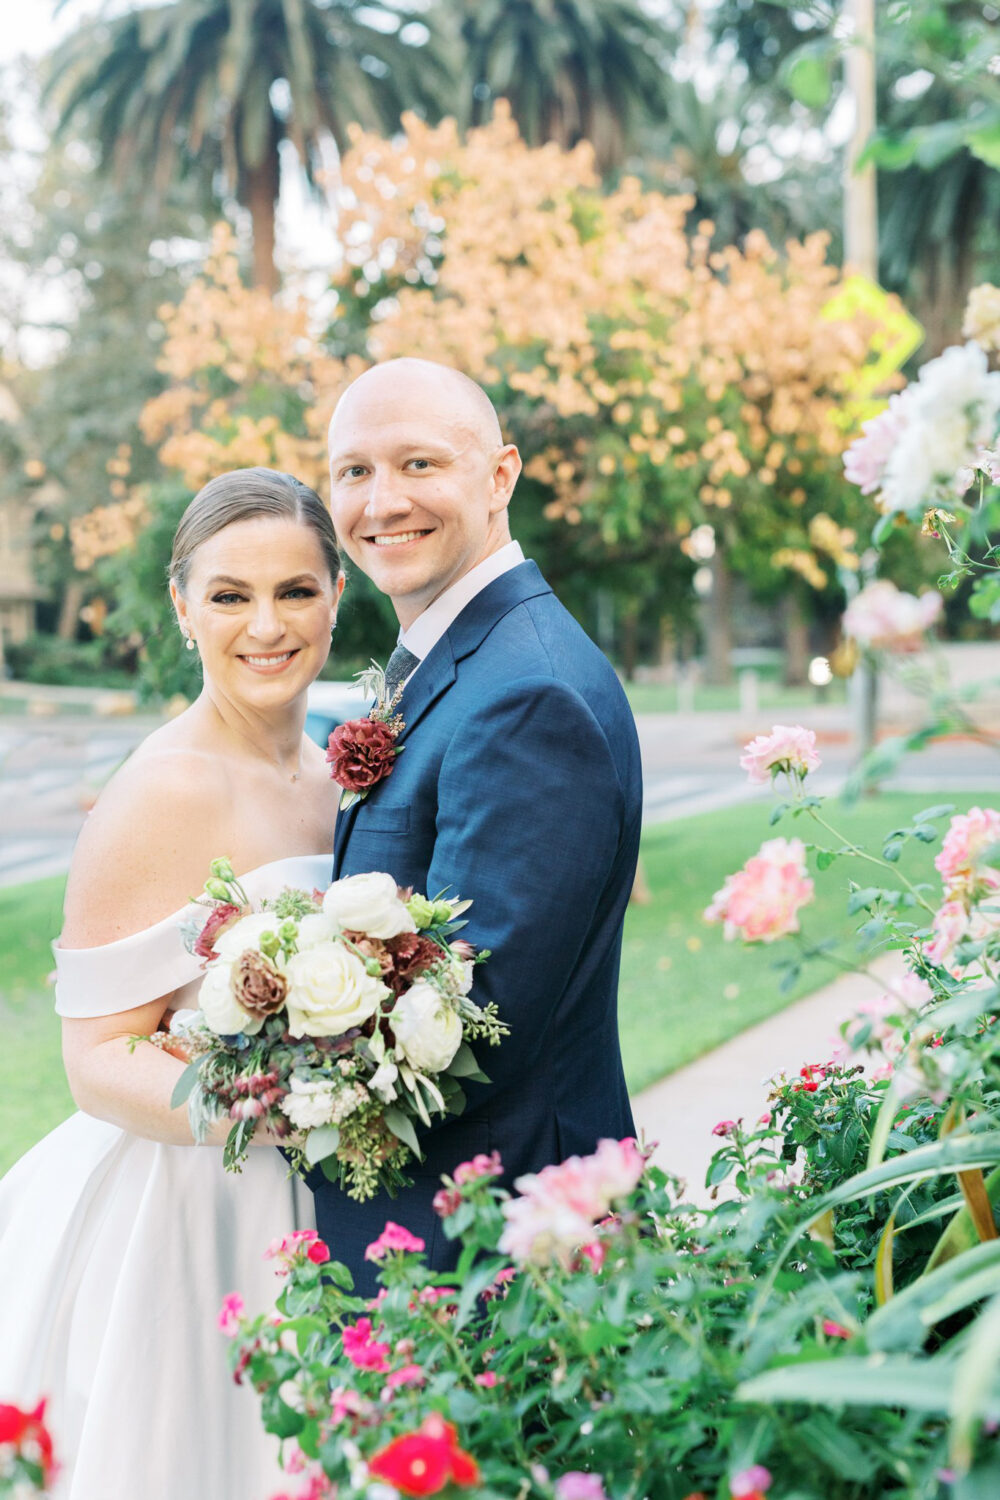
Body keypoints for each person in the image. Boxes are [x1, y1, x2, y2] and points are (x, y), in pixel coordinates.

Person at [0, 468, 343, 1500]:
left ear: (339, 594)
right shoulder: (164, 787)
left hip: (314, 1201)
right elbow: (95, 1059)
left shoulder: (334, 774)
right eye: (231, 595)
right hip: (187, 1207)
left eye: (295, 590)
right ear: (184, 604)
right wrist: (274, 1106)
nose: (265, 625)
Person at [322, 358, 642, 1296]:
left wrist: (253, 1056)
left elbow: (473, 1024)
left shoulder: (526, 691)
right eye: (353, 472)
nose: (382, 501)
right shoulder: (459, 659)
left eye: (419, 464)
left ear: (500, 476)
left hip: (490, 1244)